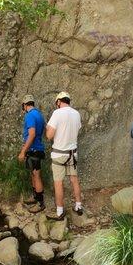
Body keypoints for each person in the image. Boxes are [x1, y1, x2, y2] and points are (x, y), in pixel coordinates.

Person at [45, 91, 83, 220]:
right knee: (74, 180)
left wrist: (47, 129)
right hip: (72, 153)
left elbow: (49, 135)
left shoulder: (57, 113)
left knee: (58, 183)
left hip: (59, 154)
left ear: (59, 101)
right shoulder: (76, 114)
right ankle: (78, 206)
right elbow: (76, 130)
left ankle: (60, 211)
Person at [17, 94, 46, 213]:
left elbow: (32, 134)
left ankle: (40, 202)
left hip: (33, 149)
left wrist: (23, 151)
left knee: (36, 175)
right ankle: (35, 197)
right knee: (33, 174)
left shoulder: (29, 116)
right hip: (37, 148)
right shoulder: (39, 114)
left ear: (24, 105)